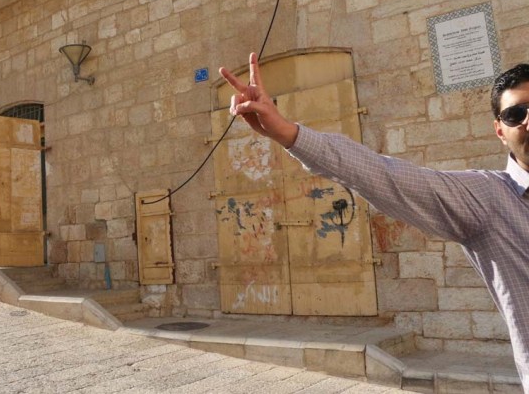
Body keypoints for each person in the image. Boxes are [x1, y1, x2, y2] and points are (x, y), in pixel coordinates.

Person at [220, 52, 529, 391]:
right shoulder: (489, 198)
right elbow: (383, 175)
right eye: (516, 114)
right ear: (500, 130)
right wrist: (287, 133)